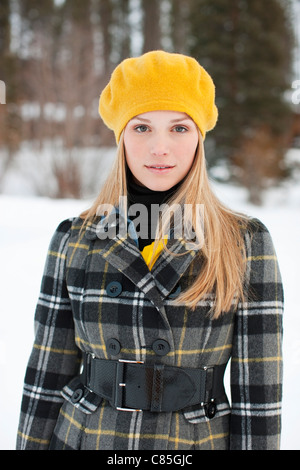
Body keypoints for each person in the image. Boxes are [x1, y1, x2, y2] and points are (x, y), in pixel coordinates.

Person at [16, 50, 283, 450]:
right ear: (121, 136)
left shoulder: (244, 242)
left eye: (179, 129)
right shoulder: (74, 238)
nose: (160, 148)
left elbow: (259, 392)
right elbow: (46, 373)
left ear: (199, 138)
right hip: (85, 438)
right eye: (142, 128)